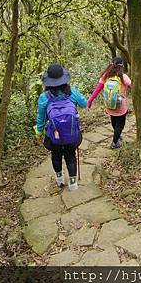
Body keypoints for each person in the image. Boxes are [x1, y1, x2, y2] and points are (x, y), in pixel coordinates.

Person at [34, 63, 87, 191]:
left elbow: (41, 118)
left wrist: (39, 132)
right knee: (70, 156)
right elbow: (84, 103)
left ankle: (59, 180)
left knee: (56, 156)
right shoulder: (72, 93)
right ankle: (73, 184)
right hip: (71, 134)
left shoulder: (44, 97)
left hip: (54, 135)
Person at [87, 57, 131, 149]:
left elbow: (97, 90)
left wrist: (90, 101)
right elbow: (132, 86)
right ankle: (114, 142)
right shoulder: (123, 77)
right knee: (120, 124)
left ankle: (117, 135)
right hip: (121, 105)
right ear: (121, 66)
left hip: (109, 105)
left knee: (114, 121)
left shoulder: (105, 77)